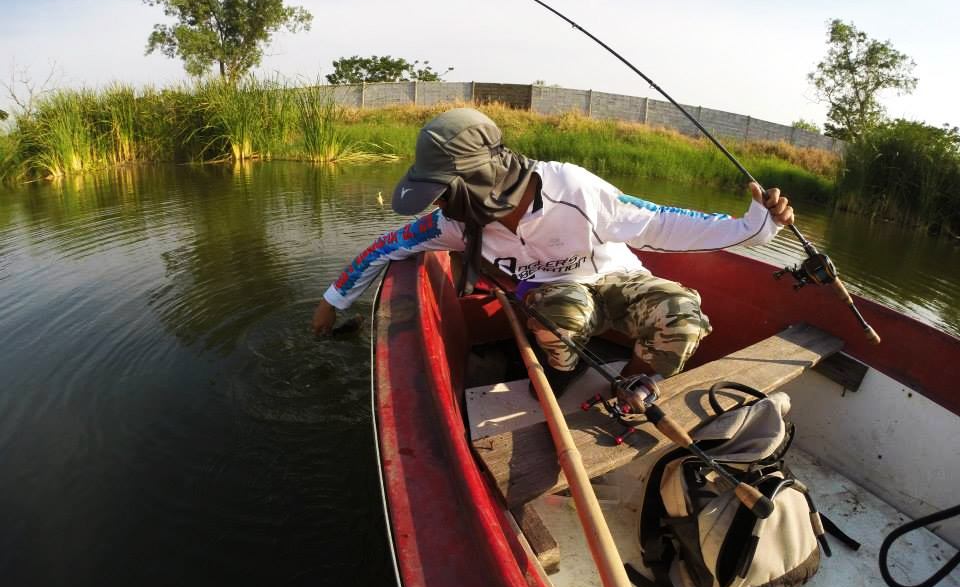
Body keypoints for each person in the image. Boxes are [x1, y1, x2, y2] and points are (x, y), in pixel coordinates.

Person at [313, 108, 794, 393]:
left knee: (682, 317)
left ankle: (636, 386)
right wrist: (331, 304)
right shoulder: (455, 224)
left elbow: (665, 222)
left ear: (478, 180)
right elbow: (386, 247)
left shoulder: (575, 189)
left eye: (444, 190)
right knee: (559, 322)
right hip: (557, 295)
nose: (439, 204)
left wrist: (758, 226)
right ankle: (564, 374)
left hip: (616, 278)